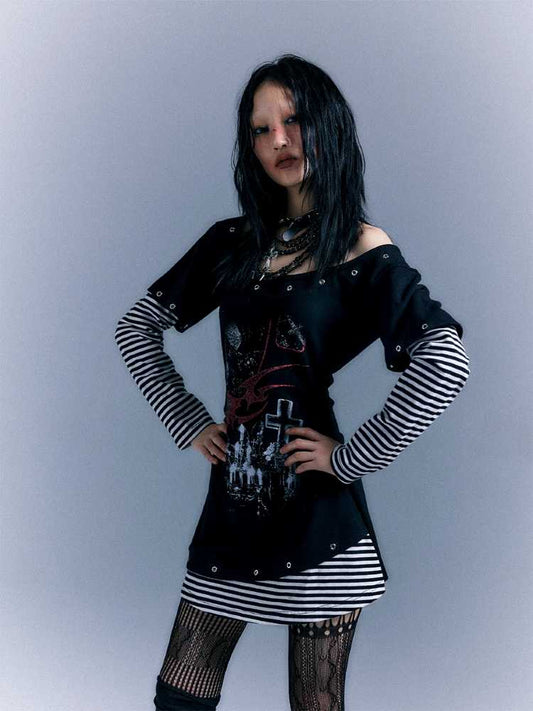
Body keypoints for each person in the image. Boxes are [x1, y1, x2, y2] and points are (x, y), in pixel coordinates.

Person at [115, 54, 470, 711]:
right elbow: (136, 327)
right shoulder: (231, 243)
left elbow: (443, 360)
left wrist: (351, 458)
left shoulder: (361, 248)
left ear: (327, 124)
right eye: (260, 129)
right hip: (231, 514)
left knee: (314, 704)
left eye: (294, 119)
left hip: (319, 526)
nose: (278, 139)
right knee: (179, 695)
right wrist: (185, 418)